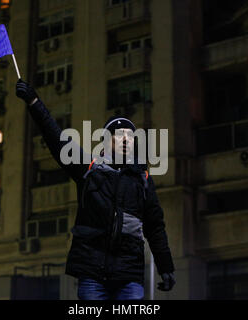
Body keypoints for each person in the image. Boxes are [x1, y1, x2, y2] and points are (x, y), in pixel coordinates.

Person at [16, 79, 175, 300]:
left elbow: (155, 226)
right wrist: (34, 102)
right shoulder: (89, 169)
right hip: (92, 273)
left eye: (130, 135)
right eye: (120, 135)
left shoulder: (142, 179)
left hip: (129, 275)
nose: (126, 139)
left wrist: (165, 266)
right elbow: (57, 140)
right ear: (107, 140)